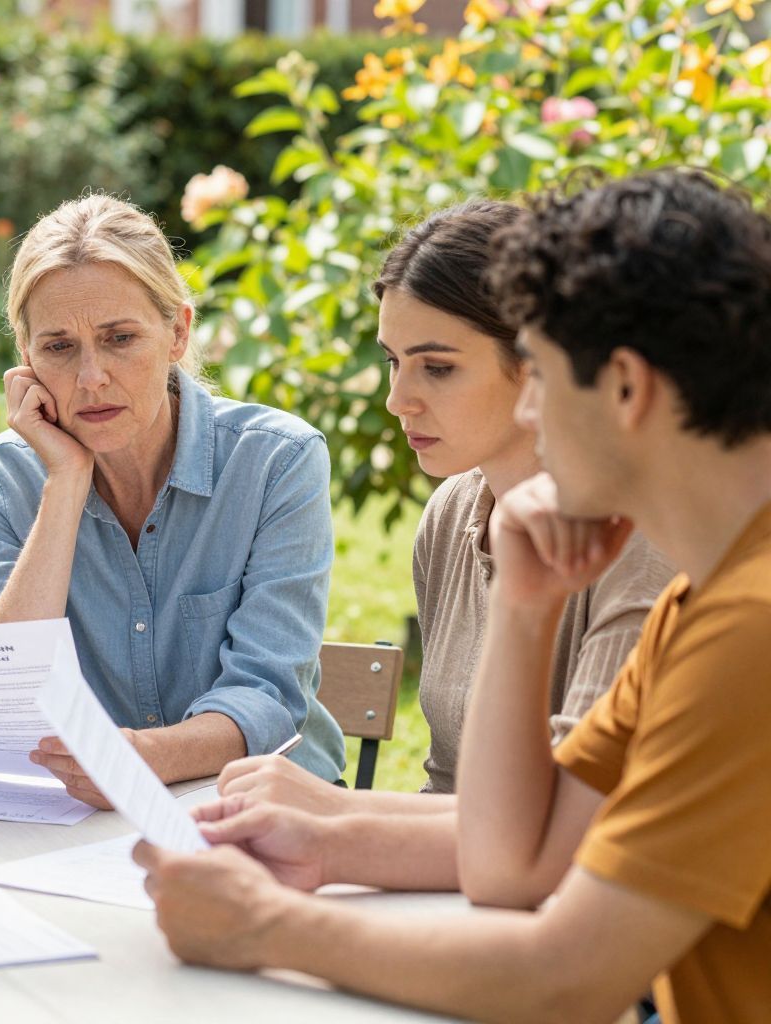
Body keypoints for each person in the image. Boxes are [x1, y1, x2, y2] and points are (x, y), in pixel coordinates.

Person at [137, 169, 771, 1023]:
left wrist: (263, 926)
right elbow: (512, 865)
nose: (532, 412)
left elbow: (568, 979)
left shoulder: (750, 628)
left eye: (540, 373)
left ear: (625, 387)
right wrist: (524, 600)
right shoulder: (704, 602)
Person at [205, 200, 674, 895]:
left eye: (438, 368)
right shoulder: (454, 512)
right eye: (393, 362)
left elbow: (585, 839)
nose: (398, 399)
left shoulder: (642, 540)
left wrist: (337, 816)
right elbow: (452, 788)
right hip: (460, 900)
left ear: (537, 364)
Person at [0, 193, 346, 805]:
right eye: (59, 347)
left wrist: (140, 759)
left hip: (261, 801)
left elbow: (267, 693)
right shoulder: (7, 477)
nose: (91, 377)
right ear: (25, 360)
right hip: (81, 818)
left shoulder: (277, 461)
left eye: (119, 338)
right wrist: (63, 484)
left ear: (177, 332)